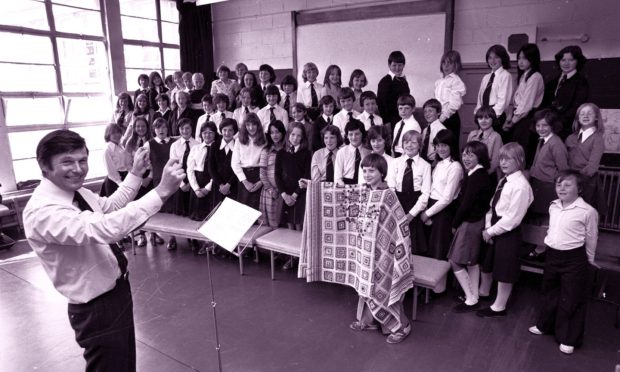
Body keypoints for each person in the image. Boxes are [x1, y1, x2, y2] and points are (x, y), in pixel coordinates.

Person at [23, 129, 184, 372]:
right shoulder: (43, 212)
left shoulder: (76, 192)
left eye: (82, 160)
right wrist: (161, 192)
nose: (78, 169)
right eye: (67, 161)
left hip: (115, 292)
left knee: (124, 366)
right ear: (44, 166)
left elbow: (109, 207)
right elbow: (105, 228)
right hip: (96, 308)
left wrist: (135, 174)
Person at [528, 170, 599, 355]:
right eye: (559, 184)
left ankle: (569, 338)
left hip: (574, 258)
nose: (562, 188)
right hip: (553, 255)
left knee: (571, 297)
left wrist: (589, 260)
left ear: (579, 189)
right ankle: (545, 325)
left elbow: (591, 237)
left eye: (568, 185)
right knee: (549, 292)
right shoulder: (553, 206)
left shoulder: (588, 211)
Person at [349, 153, 411, 344]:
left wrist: (392, 248)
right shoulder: (363, 191)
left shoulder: (388, 195)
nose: (367, 174)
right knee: (365, 283)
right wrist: (311, 186)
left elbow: (399, 222)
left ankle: (402, 326)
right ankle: (368, 320)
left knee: (384, 284)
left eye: (372, 171)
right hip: (366, 248)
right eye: (364, 171)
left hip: (386, 249)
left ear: (382, 172)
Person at [477, 142, 534, 318]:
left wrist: (491, 231)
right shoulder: (504, 180)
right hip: (494, 225)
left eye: (508, 158)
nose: (503, 162)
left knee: (504, 269)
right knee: (487, 264)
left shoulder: (521, 185)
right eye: (501, 158)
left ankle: (499, 306)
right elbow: (492, 206)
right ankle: (483, 294)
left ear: (520, 160)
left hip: (507, 231)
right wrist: (488, 227)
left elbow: (513, 219)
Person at [449, 141, 493, 313]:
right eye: (464, 154)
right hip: (476, 222)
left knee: (455, 261)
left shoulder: (476, 176)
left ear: (480, 157)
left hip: (470, 223)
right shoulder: (479, 174)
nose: (466, 158)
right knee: (472, 262)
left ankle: (470, 298)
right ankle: (473, 296)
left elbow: (465, 205)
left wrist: (454, 224)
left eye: (471, 155)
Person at [420, 129, 463, 260]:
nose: (440, 149)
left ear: (452, 145)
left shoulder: (455, 166)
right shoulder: (439, 164)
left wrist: (427, 213)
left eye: (444, 145)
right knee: (430, 249)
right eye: (438, 145)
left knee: (439, 251)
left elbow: (447, 198)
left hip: (443, 211)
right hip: (433, 207)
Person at [388, 130, 431, 254]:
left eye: (413, 142)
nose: (409, 145)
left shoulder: (425, 166)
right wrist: (397, 210)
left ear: (420, 145)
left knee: (414, 245)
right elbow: (391, 188)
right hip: (397, 204)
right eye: (406, 142)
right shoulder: (394, 163)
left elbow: (425, 193)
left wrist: (411, 214)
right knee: (396, 243)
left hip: (415, 206)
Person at [504, 43, 544, 166]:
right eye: (519, 58)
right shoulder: (524, 76)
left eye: (525, 58)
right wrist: (510, 117)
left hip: (527, 120)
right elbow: (516, 101)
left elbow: (526, 105)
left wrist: (512, 122)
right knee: (513, 154)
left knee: (522, 156)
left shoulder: (535, 76)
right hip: (518, 118)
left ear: (533, 59)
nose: (521, 61)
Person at [528, 109, 569, 224]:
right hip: (537, 183)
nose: (541, 128)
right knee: (536, 218)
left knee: (546, 218)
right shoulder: (542, 140)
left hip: (548, 186)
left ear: (553, 126)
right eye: (538, 125)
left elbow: (563, 170)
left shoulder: (556, 143)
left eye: (545, 125)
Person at [565, 103, 606, 215]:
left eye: (589, 113)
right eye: (582, 113)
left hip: (587, 183)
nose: (585, 115)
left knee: (582, 215)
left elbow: (592, 167)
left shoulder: (598, 139)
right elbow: (565, 160)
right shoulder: (571, 138)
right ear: (578, 118)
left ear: (596, 117)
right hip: (569, 181)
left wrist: (574, 181)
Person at [542, 45, 589, 139]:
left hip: (566, 129)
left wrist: (558, 123)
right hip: (548, 126)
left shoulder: (581, 82)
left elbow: (576, 107)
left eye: (571, 60)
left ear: (578, 61)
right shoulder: (552, 82)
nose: (566, 63)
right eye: (563, 60)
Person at [275, 122, 311, 231]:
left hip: (299, 194)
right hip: (286, 194)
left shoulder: (306, 153)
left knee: (299, 224)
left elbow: (307, 175)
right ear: (288, 135)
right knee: (289, 223)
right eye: (293, 134)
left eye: (299, 135)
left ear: (303, 137)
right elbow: (277, 174)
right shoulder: (281, 153)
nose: (295, 138)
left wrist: (295, 195)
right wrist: (284, 194)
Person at [474, 44, 513, 138]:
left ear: (502, 58)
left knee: (495, 143)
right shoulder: (486, 77)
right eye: (490, 58)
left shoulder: (505, 75)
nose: (492, 61)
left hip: (496, 117)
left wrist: (490, 116)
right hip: (484, 116)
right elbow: (480, 99)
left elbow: (502, 101)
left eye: (496, 57)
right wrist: (478, 114)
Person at [231, 113, 267, 210]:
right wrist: (245, 181)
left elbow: (267, 162)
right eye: (248, 125)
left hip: (259, 175)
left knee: (257, 212)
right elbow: (235, 163)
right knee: (244, 212)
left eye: (253, 124)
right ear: (244, 126)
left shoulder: (264, 140)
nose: (251, 128)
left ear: (258, 125)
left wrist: (261, 181)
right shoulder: (239, 140)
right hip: (244, 176)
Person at [434, 50, 466, 145]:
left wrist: (442, 118)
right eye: (444, 63)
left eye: (450, 63)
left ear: (456, 65)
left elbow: (455, 104)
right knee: (438, 144)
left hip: (449, 118)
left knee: (450, 146)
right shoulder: (439, 82)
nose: (446, 66)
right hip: (438, 117)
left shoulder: (456, 81)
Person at [259, 120, 286, 228]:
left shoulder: (288, 149)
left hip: (284, 192)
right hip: (269, 192)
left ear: (283, 133)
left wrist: (282, 190)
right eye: (272, 132)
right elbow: (262, 174)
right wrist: (271, 190)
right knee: (269, 225)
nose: (275, 135)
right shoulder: (266, 150)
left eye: (278, 132)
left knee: (282, 225)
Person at [467, 106, 503, 182]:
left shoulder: (496, 137)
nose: (483, 121)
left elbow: (495, 162)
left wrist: (481, 176)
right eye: (480, 118)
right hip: (471, 173)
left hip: (488, 174)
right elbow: (466, 156)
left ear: (492, 119)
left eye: (487, 118)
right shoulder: (472, 134)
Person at [209, 118, 239, 207]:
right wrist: (221, 185)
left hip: (233, 186)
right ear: (221, 131)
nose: (227, 133)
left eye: (230, 130)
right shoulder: (214, 145)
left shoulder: (238, 146)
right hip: (218, 186)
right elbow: (211, 168)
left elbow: (239, 168)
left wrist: (228, 184)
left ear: (234, 131)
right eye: (224, 130)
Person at [377, 50, 410, 126]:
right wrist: (386, 122)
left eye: (400, 65)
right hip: (390, 121)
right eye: (394, 65)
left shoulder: (404, 81)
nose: (397, 68)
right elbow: (381, 105)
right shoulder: (384, 82)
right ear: (389, 65)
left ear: (403, 65)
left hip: (403, 119)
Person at [334, 119, 370, 185]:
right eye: (350, 134)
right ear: (347, 136)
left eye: (357, 134)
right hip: (345, 185)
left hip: (365, 184)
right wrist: (345, 189)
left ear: (362, 134)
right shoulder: (341, 152)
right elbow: (338, 178)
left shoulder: (368, 151)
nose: (354, 137)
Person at [100, 123, 131, 197]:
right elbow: (111, 171)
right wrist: (121, 184)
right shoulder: (107, 150)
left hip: (125, 177)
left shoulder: (121, 146)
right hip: (114, 182)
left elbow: (127, 164)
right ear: (108, 134)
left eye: (118, 132)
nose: (117, 135)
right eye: (113, 133)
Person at [420, 98, 447, 163]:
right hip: (423, 161)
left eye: (430, 111)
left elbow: (442, 150)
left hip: (435, 162)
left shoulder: (441, 129)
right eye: (425, 111)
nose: (427, 114)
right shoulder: (425, 130)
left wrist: (435, 162)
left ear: (438, 113)